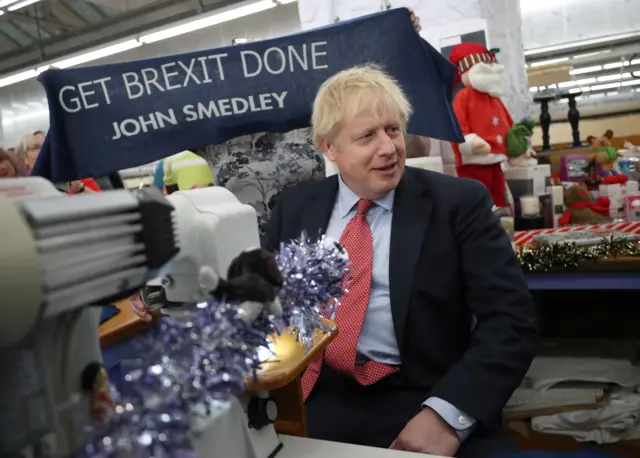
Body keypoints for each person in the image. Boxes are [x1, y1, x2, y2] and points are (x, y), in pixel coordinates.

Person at [262, 65, 538, 458]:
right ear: (329, 148)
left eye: (393, 129)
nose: (389, 147)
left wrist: (446, 416)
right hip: (318, 393)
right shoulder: (296, 209)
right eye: (367, 136)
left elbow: (511, 321)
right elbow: (274, 311)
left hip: (427, 396)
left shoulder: (458, 204)